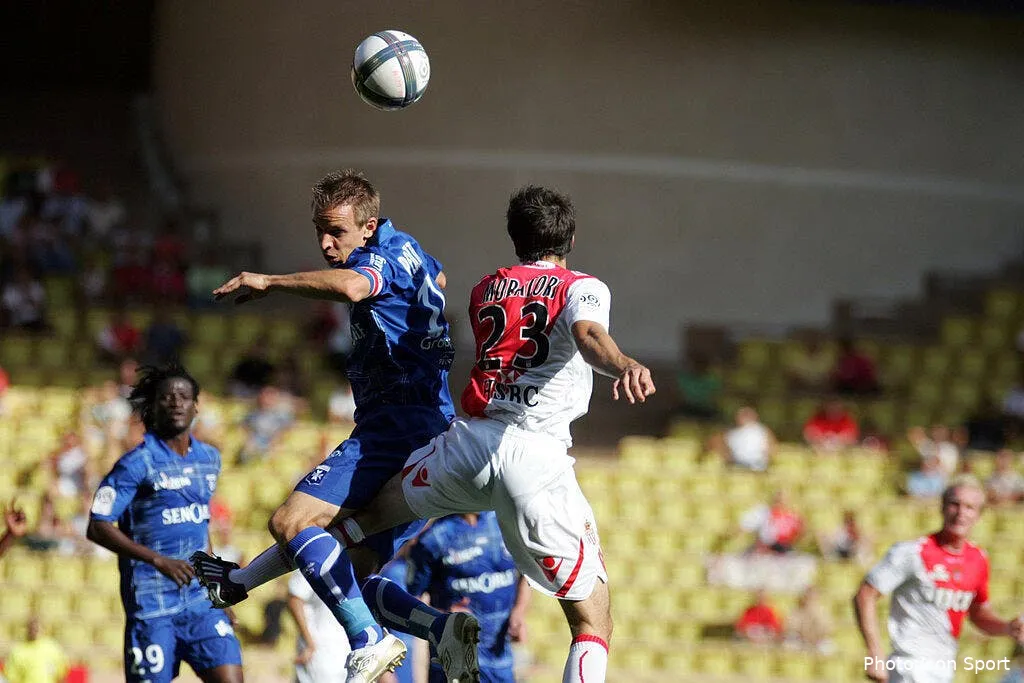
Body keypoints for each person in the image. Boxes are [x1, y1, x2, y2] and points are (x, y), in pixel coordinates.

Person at [326, 185, 656, 683]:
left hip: (469, 444)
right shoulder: (583, 286)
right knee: (593, 619)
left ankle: (275, 566)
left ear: (514, 236)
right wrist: (625, 363)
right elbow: (588, 337)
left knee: (354, 535)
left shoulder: (486, 287)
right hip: (535, 457)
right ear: (571, 236)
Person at [190, 170, 473, 682]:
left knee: (292, 522)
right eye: (319, 229)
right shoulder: (406, 246)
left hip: (396, 426)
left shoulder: (374, 262)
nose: (325, 242)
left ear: (366, 228)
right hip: (436, 428)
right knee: (347, 570)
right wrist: (242, 581)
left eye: (336, 232)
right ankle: (439, 629)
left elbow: (352, 286)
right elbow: (440, 277)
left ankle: (368, 641)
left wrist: (270, 281)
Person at [85, 365, 244, 683]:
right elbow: (97, 525)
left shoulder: (209, 459)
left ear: (196, 407)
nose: (176, 403)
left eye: (184, 397)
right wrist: (157, 560)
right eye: (166, 397)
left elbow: (201, 527)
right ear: (152, 407)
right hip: (152, 605)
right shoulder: (136, 463)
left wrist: (217, 593)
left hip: (200, 603)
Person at [853, 475, 1024, 682]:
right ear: (942, 508)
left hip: (943, 667)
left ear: (979, 515)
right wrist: (875, 652)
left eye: (970, 507)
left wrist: (1007, 627)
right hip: (909, 665)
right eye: (954, 504)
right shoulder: (913, 552)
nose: (961, 513)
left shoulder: (978, 559)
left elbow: (978, 612)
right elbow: (865, 594)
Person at [397, 512, 531, 683]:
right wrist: (442, 616)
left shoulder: (504, 522)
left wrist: (519, 610)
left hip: (500, 660)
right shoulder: (434, 539)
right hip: (453, 665)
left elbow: (528, 573)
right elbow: (409, 604)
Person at [287, 569, 351, 683]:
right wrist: (310, 644)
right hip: (320, 655)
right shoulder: (312, 559)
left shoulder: (354, 563)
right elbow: (295, 599)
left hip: (345, 652)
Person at [3, 617, 68, 683]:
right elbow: (12, 678)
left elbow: (61, 676)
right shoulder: (17, 651)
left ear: (42, 628)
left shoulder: (53, 648)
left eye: (36, 627)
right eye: (31, 627)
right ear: (26, 629)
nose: (34, 630)